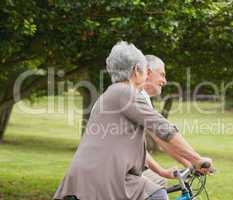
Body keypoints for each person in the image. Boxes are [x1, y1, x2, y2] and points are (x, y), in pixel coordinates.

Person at [53, 41, 213, 200]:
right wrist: (197, 159)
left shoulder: (112, 94)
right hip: (104, 176)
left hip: (87, 175)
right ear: (137, 70)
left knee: (154, 190)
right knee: (156, 194)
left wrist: (166, 170)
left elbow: (131, 144)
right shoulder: (127, 93)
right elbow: (164, 130)